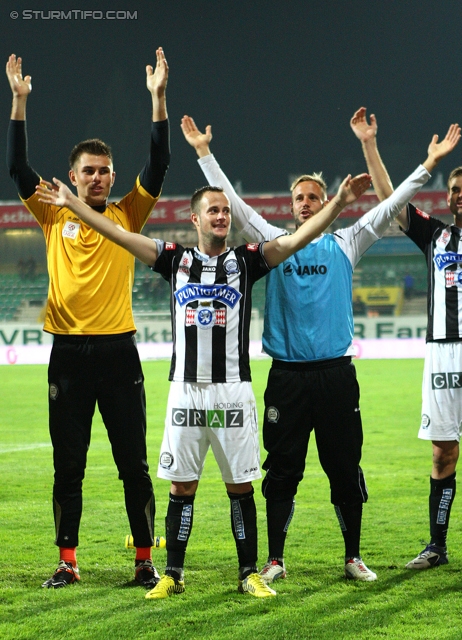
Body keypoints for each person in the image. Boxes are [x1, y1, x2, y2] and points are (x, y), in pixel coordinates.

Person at [36, 167, 372, 598]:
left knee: (241, 485)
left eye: (226, 211)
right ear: (195, 219)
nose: (221, 216)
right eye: (213, 210)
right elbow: (117, 234)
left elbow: (294, 241)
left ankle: (248, 572)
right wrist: (74, 206)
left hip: (233, 389)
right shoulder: (174, 259)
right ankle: (173, 575)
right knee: (182, 485)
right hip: (185, 389)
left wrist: (340, 203)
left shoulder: (247, 261)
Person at [181, 113, 460, 584]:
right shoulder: (273, 241)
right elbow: (231, 202)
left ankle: (353, 556)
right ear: (290, 208)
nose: (307, 203)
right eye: (299, 198)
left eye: (314, 196)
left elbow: (391, 205)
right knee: (282, 472)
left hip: (335, 374)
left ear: (326, 201)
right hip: (287, 377)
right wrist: (204, 154)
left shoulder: (347, 240)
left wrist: (427, 164)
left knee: (344, 469)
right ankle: (275, 559)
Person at [5, 49, 170, 589]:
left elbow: (161, 163)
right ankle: (67, 563)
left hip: (120, 352)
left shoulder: (128, 214)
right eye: (89, 172)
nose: (98, 179)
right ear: (72, 177)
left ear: (113, 177)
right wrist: (19, 103)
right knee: (68, 465)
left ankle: (144, 559)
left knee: (133, 464)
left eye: (104, 171)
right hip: (69, 356)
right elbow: (17, 168)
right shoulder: (53, 212)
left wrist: (157, 100)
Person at [350, 107, 462, 570]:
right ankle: (437, 545)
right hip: (441, 353)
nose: (458, 195)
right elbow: (390, 203)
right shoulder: (437, 236)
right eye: (454, 189)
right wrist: (369, 145)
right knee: (442, 450)